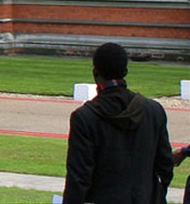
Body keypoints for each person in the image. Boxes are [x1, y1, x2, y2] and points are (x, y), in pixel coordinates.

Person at [63, 42, 174, 204]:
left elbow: (78, 178)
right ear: (125, 71)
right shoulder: (153, 111)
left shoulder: (85, 118)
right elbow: (165, 166)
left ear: (95, 72)